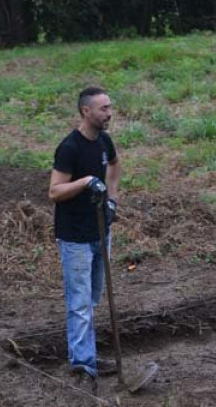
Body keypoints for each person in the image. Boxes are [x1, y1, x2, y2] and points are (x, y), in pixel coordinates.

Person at [48, 87, 122, 394]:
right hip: (75, 238)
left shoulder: (104, 141)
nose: (109, 113)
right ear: (85, 112)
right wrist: (86, 182)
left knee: (91, 298)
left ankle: (88, 355)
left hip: (100, 232)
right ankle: (82, 364)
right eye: (103, 108)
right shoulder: (70, 148)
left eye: (109, 107)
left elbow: (116, 166)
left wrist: (112, 200)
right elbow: (54, 191)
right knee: (79, 303)